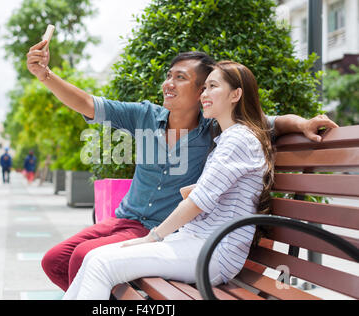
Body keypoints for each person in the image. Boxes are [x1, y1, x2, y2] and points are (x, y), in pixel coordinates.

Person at [26, 39, 338, 292]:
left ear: (204, 90)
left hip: (170, 231)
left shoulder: (217, 130)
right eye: (169, 75)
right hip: (129, 220)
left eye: (181, 78)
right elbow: (88, 103)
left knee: (87, 258)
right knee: (55, 259)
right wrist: (45, 75)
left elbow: (268, 122)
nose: (168, 84)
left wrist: (302, 123)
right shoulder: (144, 116)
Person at [62, 60, 274, 299]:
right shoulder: (228, 139)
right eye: (204, 88)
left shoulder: (238, 139)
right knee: (93, 257)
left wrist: (151, 237)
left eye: (213, 86)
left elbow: (198, 203)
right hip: (195, 242)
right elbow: (213, 192)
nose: (204, 94)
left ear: (236, 94)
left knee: (102, 264)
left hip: (213, 251)